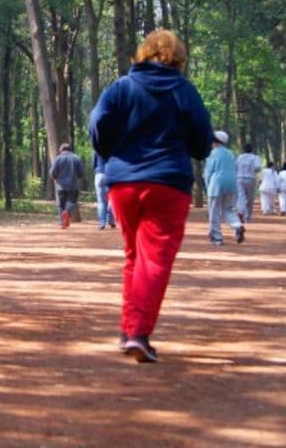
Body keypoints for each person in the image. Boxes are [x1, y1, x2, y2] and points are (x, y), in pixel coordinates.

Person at [89, 29, 213, 363]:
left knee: (134, 257)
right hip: (168, 182)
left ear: (142, 53)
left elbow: (98, 123)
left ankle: (128, 330)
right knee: (154, 260)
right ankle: (138, 334)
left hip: (124, 183)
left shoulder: (121, 87)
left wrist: (112, 150)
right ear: (178, 58)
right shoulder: (183, 91)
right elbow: (203, 141)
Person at [204, 131, 243, 245]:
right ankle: (237, 226)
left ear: (215, 141)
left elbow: (208, 172)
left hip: (216, 184)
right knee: (229, 209)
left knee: (214, 211)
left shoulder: (212, 153)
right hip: (232, 184)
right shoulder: (231, 153)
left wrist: (207, 188)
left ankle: (216, 237)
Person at [49, 143, 87, 229]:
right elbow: (81, 172)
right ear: (70, 149)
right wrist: (78, 177)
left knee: (60, 205)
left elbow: (52, 173)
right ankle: (67, 213)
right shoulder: (76, 158)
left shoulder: (57, 159)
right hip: (73, 185)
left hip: (60, 186)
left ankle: (62, 222)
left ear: (61, 150)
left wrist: (55, 178)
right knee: (72, 201)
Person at [234, 144, 261, 224]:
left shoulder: (239, 157)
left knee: (241, 196)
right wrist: (252, 170)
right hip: (250, 178)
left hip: (240, 178)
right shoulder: (255, 157)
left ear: (244, 150)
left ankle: (240, 212)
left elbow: (235, 167)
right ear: (252, 150)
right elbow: (257, 168)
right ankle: (248, 217)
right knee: (250, 198)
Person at [93, 152, 116, 229]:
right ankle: (111, 221)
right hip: (111, 174)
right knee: (112, 199)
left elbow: (94, 165)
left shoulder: (97, 149)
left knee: (101, 201)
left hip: (99, 175)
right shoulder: (114, 148)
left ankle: (102, 223)